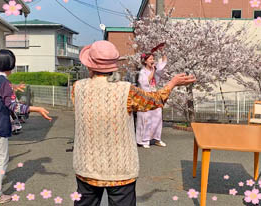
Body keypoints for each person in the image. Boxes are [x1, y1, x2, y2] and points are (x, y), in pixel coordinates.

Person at [71, 40, 196, 206]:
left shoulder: (77, 88)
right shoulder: (126, 91)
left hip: (86, 167)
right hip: (120, 170)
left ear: (89, 66)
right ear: (113, 67)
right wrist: (172, 83)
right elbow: (155, 101)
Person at [0, 49, 52, 204]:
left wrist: (12, 88)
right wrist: (37, 109)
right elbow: (14, 107)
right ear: (11, 66)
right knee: (1, 160)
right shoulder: (5, 83)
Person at [136, 52, 168, 148]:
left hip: (154, 96)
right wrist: (153, 70)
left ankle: (157, 138)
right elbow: (146, 82)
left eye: (153, 59)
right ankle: (144, 140)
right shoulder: (142, 72)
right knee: (146, 118)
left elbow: (162, 66)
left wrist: (163, 53)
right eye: (150, 59)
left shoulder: (154, 69)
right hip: (145, 97)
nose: (152, 61)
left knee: (158, 116)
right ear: (145, 61)